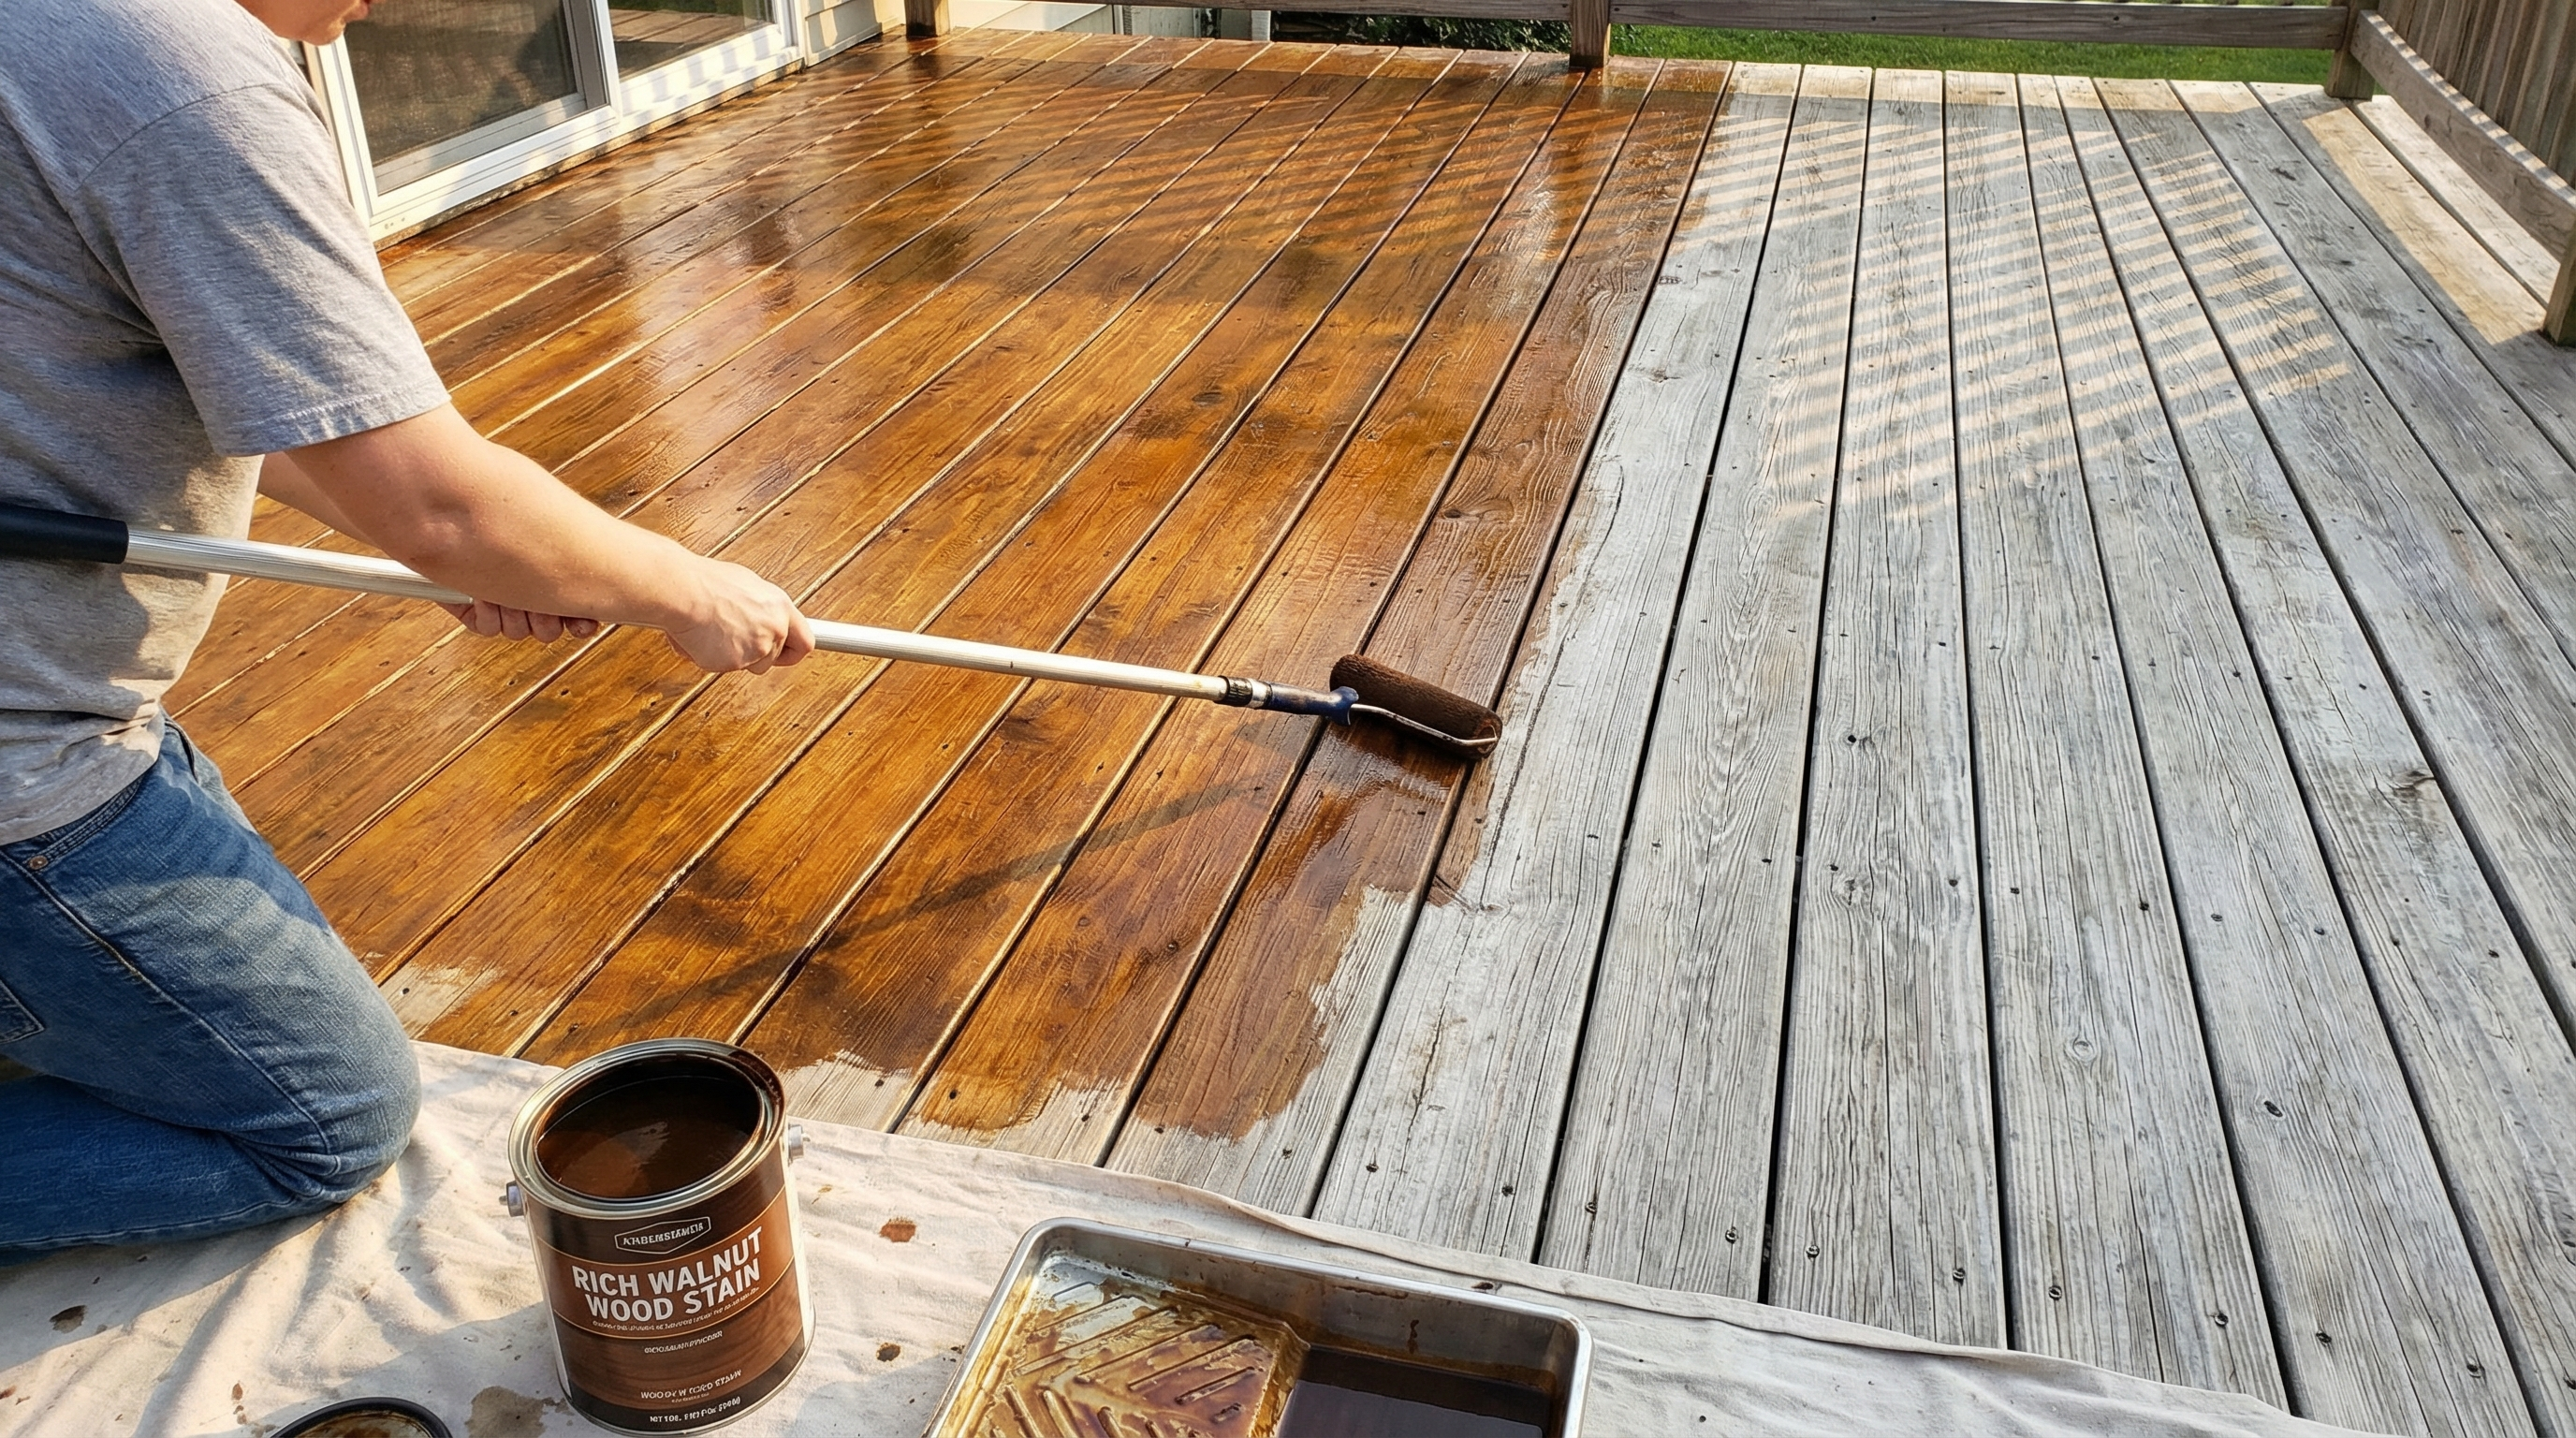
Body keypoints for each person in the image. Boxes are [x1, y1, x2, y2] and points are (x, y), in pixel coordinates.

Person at [0, 0, 812, 1254]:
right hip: (27, 761)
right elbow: (444, 504)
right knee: (328, 1114)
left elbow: (269, 414)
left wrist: (456, 549)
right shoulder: (184, 80)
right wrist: (684, 589)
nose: (375, 8)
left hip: (60, 693)